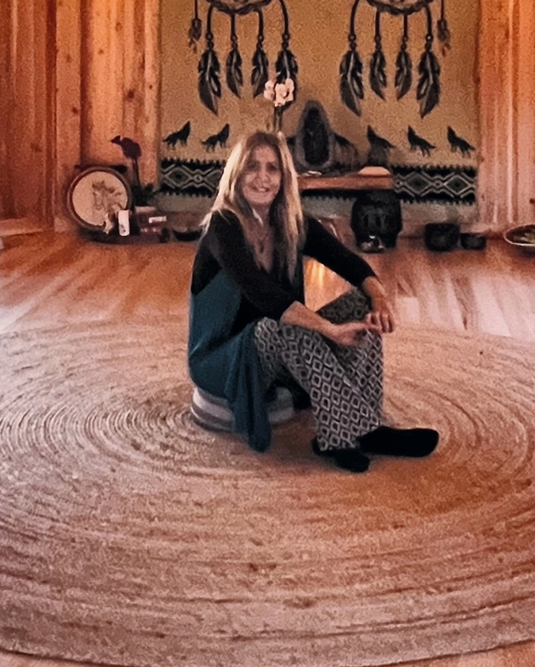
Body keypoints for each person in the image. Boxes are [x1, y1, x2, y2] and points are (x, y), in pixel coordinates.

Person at [187, 128, 439, 473]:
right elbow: (263, 295)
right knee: (286, 325)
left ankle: (362, 426)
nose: (263, 178)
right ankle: (350, 436)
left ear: (284, 178)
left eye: (273, 168)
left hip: (277, 352)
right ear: (236, 174)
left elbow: (347, 262)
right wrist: (328, 330)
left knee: (359, 304)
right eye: (252, 167)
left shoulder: (290, 223)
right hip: (223, 358)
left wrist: (379, 299)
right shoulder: (223, 225)